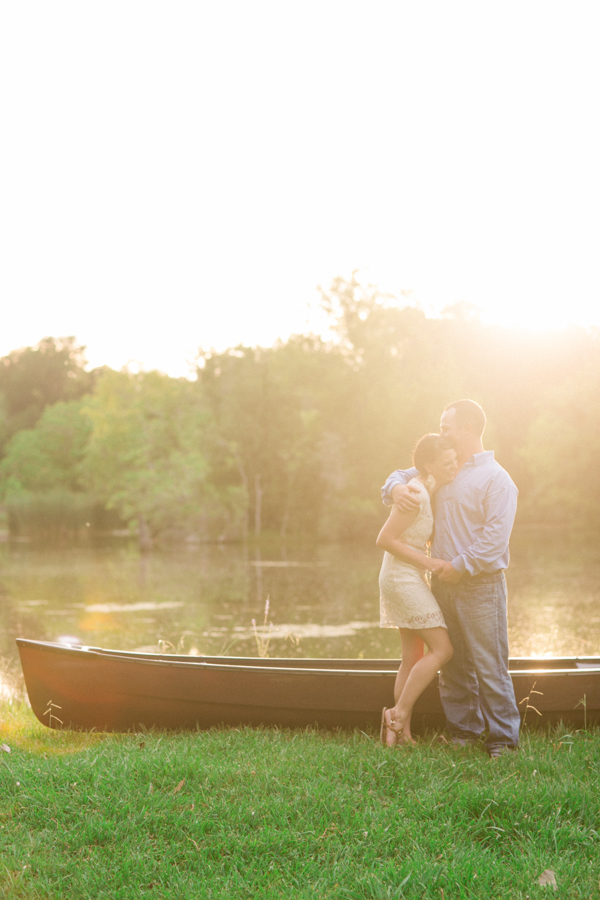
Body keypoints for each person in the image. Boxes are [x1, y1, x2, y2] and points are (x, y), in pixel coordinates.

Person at [381, 399, 520, 758]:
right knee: (454, 665)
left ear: (467, 430)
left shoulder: (496, 479)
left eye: (446, 428)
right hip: (442, 585)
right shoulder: (447, 469)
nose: (441, 434)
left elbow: (494, 539)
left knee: (489, 665)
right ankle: (463, 733)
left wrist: (459, 565)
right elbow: (406, 473)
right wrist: (393, 487)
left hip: (480, 585)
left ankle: (502, 741)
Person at [377, 433, 457, 747]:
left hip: (406, 575)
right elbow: (384, 539)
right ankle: (397, 714)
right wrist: (430, 563)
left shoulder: (428, 486)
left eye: (455, 460)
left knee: (412, 656)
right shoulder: (415, 492)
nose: (454, 466)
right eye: (447, 462)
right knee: (443, 650)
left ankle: (400, 733)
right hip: (401, 577)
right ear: (429, 465)